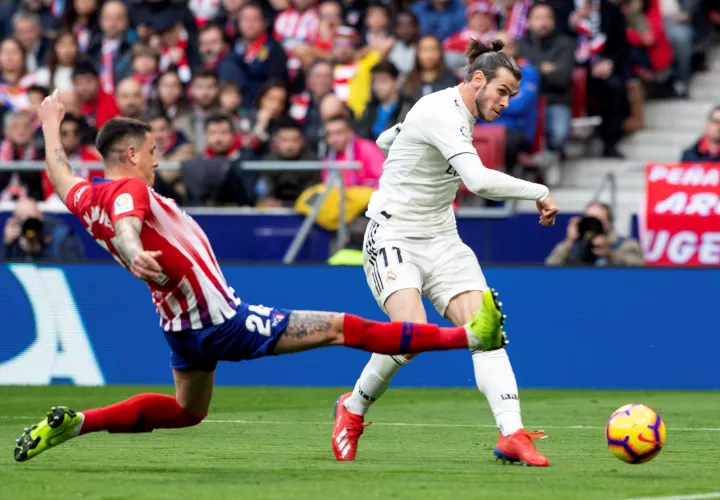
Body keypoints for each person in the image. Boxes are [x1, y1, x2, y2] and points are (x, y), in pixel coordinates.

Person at [14, 90, 507, 463]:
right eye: (151, 150)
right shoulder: (127, 190)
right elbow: (127, 221)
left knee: (188, 411)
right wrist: (132, 247)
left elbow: (59, 174)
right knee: (341, 327)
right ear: (129, 156)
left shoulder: (87, 197)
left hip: (180, 329)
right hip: (223, 321)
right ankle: (466, 336)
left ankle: (78, 424)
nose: (158, 159)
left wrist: (49, 124)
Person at [331, 39, 559, 467]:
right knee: (411, 335)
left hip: (441, 239)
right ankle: (353, 407)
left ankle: (512, 433)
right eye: (503, 91)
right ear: (478, 79)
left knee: (485, 329)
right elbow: (479, 182)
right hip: (393, 236)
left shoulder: (449, 114)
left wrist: (405, 139)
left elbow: (384, 138)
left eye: (512, 95)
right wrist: (540, 191)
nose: (506, 102)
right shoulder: (442, 110)